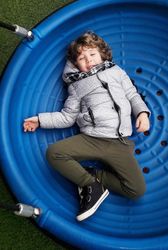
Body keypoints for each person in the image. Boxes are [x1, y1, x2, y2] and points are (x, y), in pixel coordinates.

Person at [23, 31, 150, 222]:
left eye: (92, 54)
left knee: (136, 190)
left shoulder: (116, 71)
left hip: (119, 142)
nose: (88, 60)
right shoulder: (76, 85)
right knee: (54, 153)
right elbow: (67, 117)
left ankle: (95, 175)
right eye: (82, 58)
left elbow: (132, 95)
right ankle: (90, 184)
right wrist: (40, 120)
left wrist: (142, 113)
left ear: (102, 55)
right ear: (76, 65)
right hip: (92, 139)